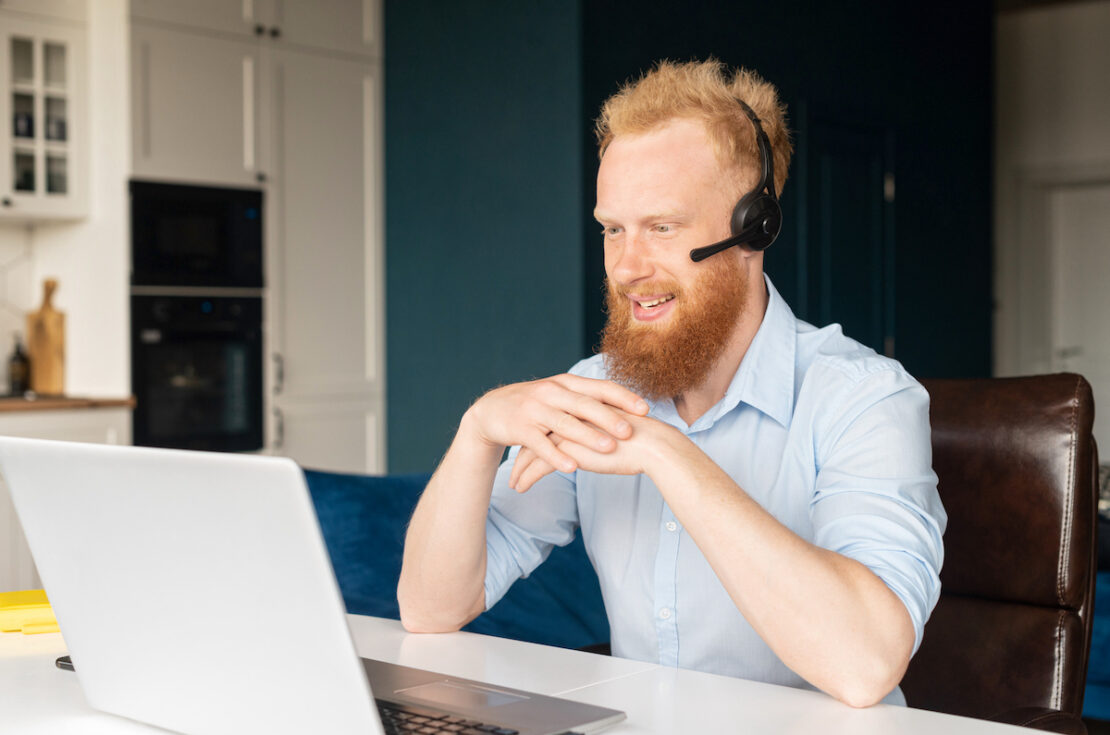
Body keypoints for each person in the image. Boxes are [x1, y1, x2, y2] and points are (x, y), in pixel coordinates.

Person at [397, 59, 945, 709]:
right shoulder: (594, 390)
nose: (627, 267)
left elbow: (866, 664)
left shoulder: (865, 399)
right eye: (612, 230)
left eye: (661, 227)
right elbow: (431, 607)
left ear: (754, 229)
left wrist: (664, 450)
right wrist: (478, 430)